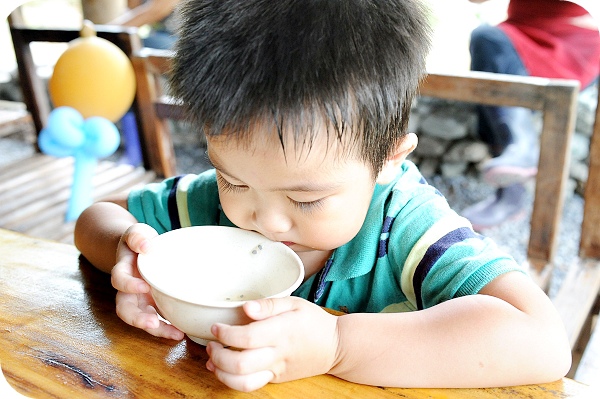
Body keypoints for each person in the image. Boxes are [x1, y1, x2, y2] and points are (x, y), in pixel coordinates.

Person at [74, 0, 571, 392]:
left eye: (306, 200)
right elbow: (98, 217)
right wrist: (128, 254)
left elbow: (542, 340)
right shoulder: (208, 206)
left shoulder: (405, 226)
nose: (262, 219)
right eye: (233, 180)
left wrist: (337, 345)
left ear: (388, 161)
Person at [461, 0, 600, 229]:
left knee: (488, 39)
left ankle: (521, 153)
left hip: (573, 38)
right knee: (485, 40)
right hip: (520, 30)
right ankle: (512, 189)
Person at [109, 0, 180, 50]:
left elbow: (154, 13)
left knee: (125, 45)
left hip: (176, 39)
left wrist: (106, 32)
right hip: (157, 35)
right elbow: (133, 10)